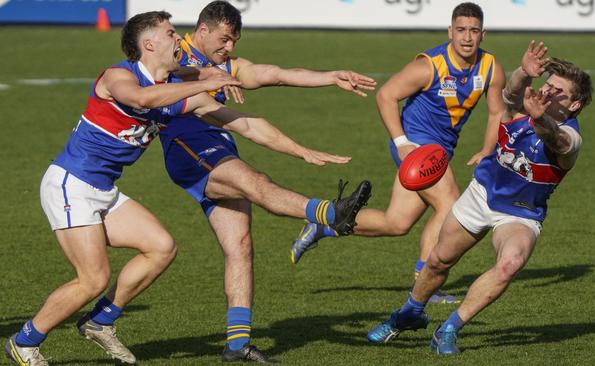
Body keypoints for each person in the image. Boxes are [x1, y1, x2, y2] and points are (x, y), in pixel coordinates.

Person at [4, 11, 370, 366]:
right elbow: (141, 100)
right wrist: (206, 82)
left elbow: (244, 124)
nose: (178, 37)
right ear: (148, 44)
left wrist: (301, 151)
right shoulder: (118, 75)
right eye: (169, 33)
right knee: (93, 277)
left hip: (101, 190)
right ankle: (23, 343)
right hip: (71, 184)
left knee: (161, 248)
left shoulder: (176, 92)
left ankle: (100, 320)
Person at [155, 1, 376, 362]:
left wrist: (330, 77)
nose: (230, 49)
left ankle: (237, 344)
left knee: (240, 244)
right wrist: (210, 76)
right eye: (225, 40)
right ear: (204, 29)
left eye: (235, 42)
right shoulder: (175, 49)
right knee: (257, 182)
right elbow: (162, 71)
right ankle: (327, 213)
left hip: (218, 148)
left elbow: (276, 73)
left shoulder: (226, 63)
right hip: (188, 150)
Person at [366, 40, 594, 356]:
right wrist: (523, 73)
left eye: (559, 92)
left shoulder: (571, 137)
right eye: (548, 84)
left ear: (574, 105)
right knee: (438, 261)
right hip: (481, 195)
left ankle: (448, 330)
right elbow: (510, 95)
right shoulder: (521, 107)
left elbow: (556, 140)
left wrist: (541, 119)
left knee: (510, 263)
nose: (548, 91)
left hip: (520, 214)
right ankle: (408, 313)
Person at [290, 2, 505, 304]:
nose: (466, 37)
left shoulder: (491, 68)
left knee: (397, 222)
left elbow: (497, 112)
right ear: (450, 32)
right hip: (415, 145)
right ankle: (424, 284)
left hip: (440, 149)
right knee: (449, 206)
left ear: (482, 34)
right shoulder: (429, 65)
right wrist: (403, 142)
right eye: (460, 30)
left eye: (472, 31)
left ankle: (325, 224)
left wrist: (486, 149)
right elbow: (386, 95)